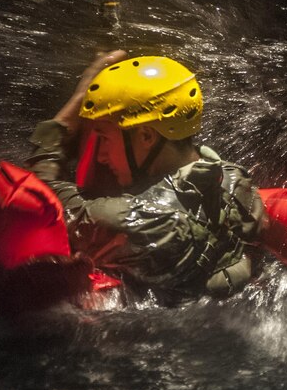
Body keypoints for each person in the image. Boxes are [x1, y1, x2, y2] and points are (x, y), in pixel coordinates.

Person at [23, 50, 268, 304]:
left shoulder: (137, 220)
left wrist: (77, 99)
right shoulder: (234, 177)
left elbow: (37, 196)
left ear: (146, 136)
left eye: (104, 138)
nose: (102, 155)